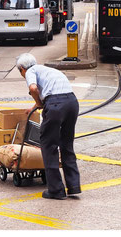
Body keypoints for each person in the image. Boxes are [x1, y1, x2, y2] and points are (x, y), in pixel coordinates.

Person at [16, 53, 81, 200]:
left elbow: (33, 89)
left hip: (56, 106)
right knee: (67, 145)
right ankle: (73, 186)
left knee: (49, 145)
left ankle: (56, 190)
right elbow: (52, 93)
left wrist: (38, 103)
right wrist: (35, 105)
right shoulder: (48, 70)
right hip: (71, 103)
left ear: (22, 69)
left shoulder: (30, 72)